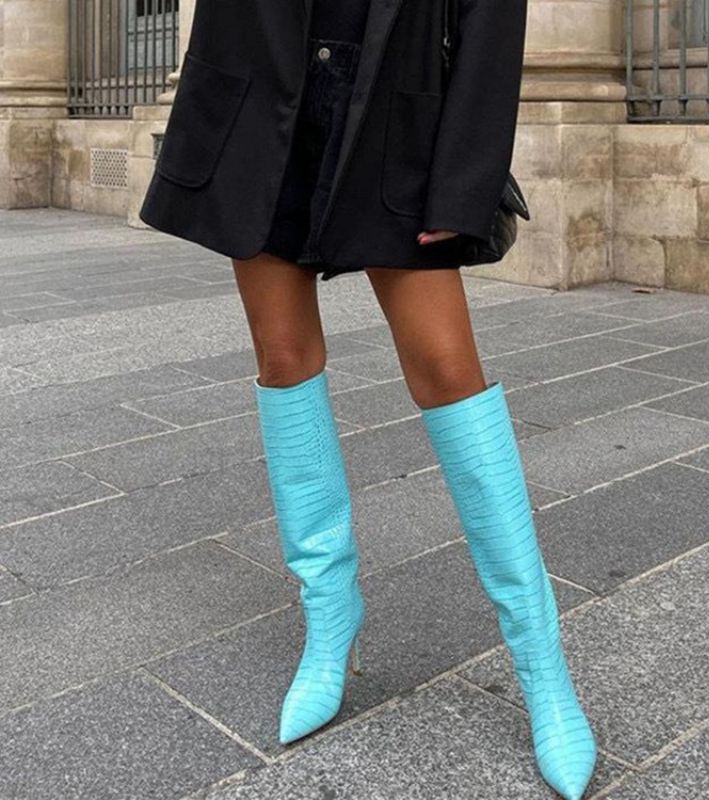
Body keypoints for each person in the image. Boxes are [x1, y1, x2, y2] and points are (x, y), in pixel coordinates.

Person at [139, 1, 597, 797]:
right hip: (264, 108)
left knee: (447, 370)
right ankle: (330, 619)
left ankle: (541, 662)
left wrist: (465, 180)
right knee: (284, 358)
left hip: (398, 112)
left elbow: (492, 22)